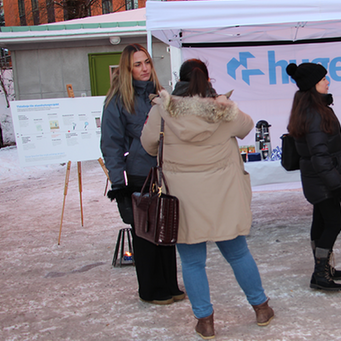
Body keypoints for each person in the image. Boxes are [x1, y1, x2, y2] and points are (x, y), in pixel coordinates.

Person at [140, 59, 273, 339]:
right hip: (223, 194)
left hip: (182, 198)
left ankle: (206, 322)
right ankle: (261, 308)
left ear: (180, 78)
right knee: (237, 253)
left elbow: (149, 144)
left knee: (192, 263)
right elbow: (247, 127)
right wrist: (225, 104)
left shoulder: (163, 109)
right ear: (207, 78)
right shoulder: (223, 109)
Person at [100, 43, 185, 304]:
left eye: (146, 62)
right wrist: (119, 186)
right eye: (137, 64)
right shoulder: (117, 101)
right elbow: (111, 145)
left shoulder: (160, 94)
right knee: (146, 233)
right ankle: (150, 289)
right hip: (139, 174)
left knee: (167, 228)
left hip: (166, 172)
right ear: (127, 69)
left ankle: (169, 284)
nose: (144, 68)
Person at [286, 62, 341, 292]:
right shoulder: (314, 113)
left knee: (321, 222)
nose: (327, 81)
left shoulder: (314, 108)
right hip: (321, 181)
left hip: (316, 180)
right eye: (323, 79)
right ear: (313, 84)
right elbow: (320, 154)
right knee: (334, 222)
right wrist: (335, 185)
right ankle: (319, 273)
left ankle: (323, 267)